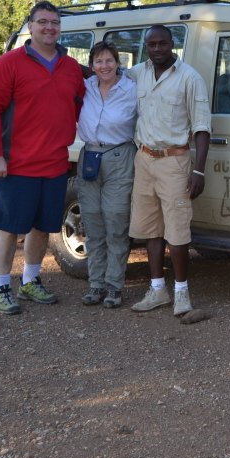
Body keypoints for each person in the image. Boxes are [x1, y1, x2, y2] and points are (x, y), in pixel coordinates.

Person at [0, 0, 85, 315]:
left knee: (41, 227)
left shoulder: (70, 68)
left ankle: (30, 281)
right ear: (30, 26)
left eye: (55, 22)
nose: (49, 27)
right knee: (9, 227)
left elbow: (81, 107)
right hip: (15, 165)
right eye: (43, 22)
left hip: (54, 164)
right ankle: (1, 287)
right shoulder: (10, 63)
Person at [128, 24, 211, 316]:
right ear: (146, 47)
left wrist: (198, 171)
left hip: (175, 161)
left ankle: (181, 294)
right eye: (152, 45)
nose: (157, 49)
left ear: (172, 43)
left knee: (177, 231)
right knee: (151, 229)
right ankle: (157, 290)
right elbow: (103, 73)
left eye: (162, 43)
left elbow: (202, 127)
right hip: (144, 159)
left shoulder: (189, 78)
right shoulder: (137, 73)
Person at [76, 41, 138, 308]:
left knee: (115, 221)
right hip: (89, 156)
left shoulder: (131, 89)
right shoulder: (86, 87)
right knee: (92, 222)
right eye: (99, 61)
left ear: (118, 63)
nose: (104, 66)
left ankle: (114, 286)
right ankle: (95, 284)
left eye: (109, 60)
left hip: (119, 156)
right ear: (91, 66)